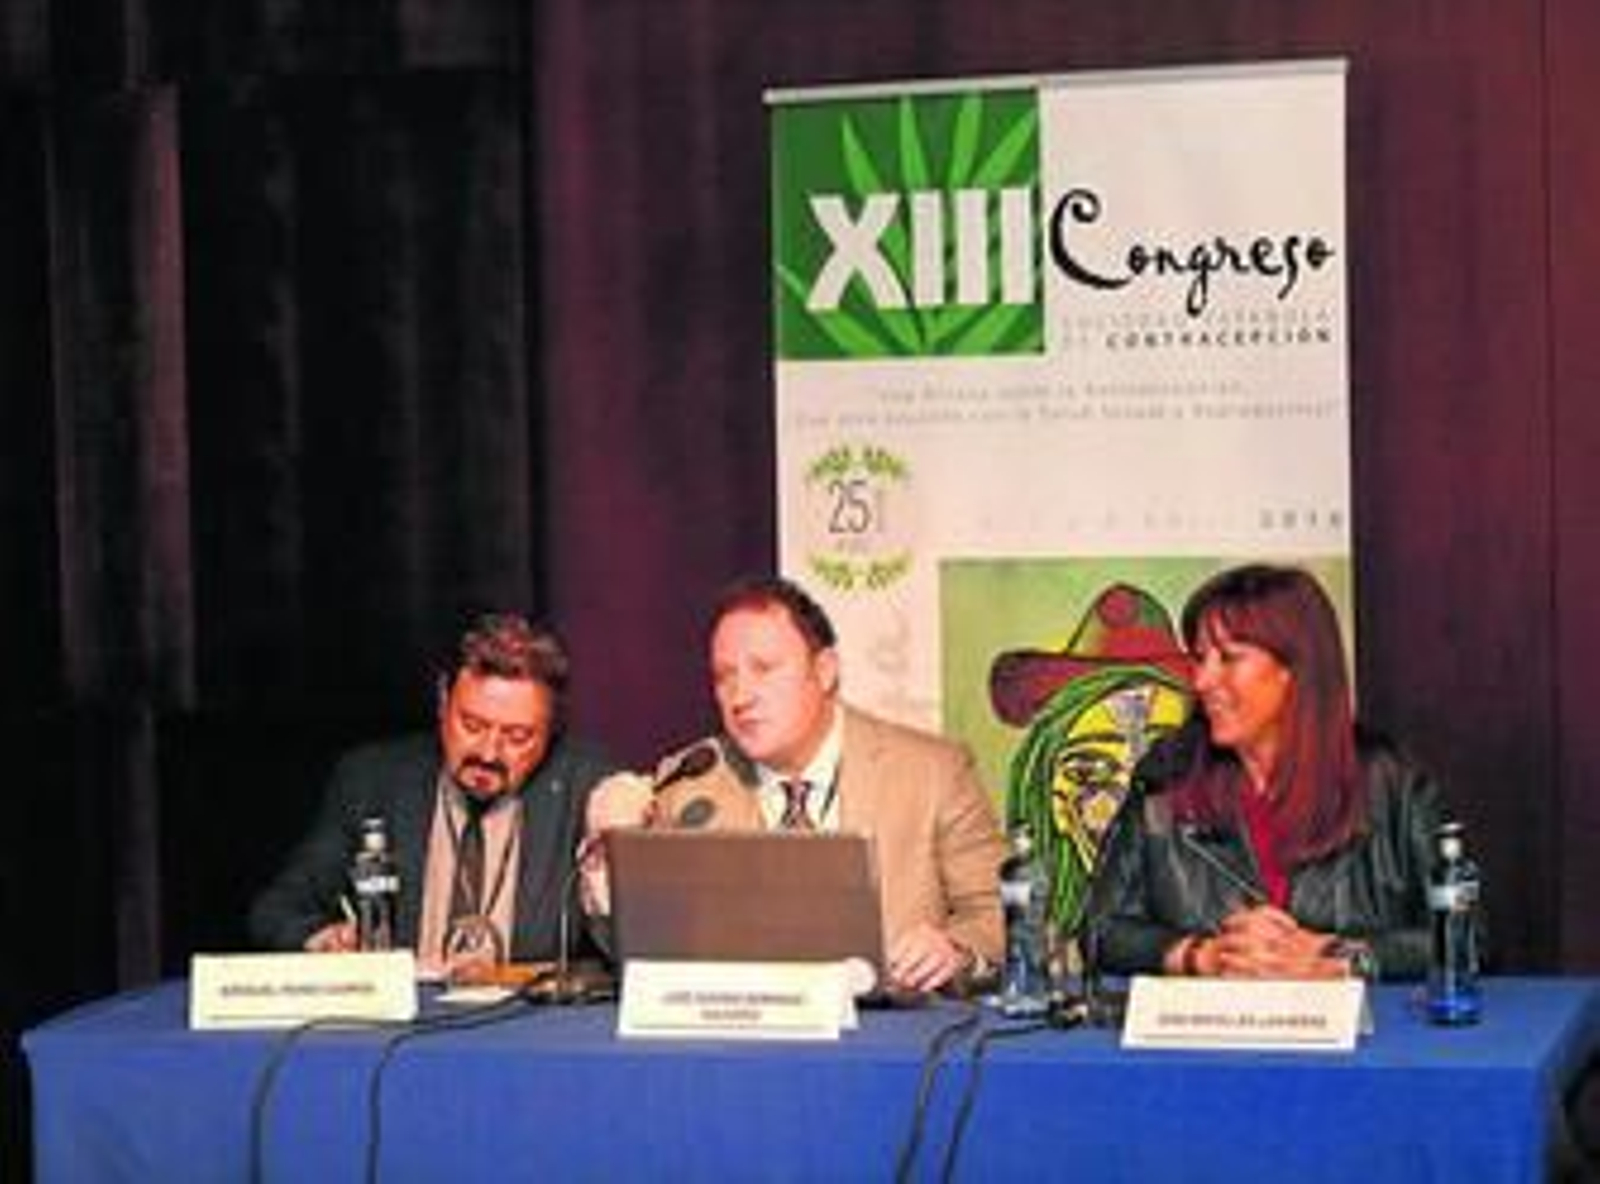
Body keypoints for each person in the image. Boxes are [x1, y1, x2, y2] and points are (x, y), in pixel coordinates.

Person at [583, 576, 1006, 993]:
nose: (740, 696)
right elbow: (635, 945)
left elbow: (1000, 912)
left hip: (892, 1027)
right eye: (724, 676)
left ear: (824, 671)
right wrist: (607, 859)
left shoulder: (933, 772)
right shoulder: (689, 784)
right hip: (744, 1027)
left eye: (763, 669)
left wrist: (956, 950)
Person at [1084, 563, 1456, 981]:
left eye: (1228, 658)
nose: (1202, 681)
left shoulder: (1392, 785)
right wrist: (1202, 956)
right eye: (1201, 659)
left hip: (1359, 1023)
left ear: (1294, 669)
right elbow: (1100, 932)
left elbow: (1466, 936)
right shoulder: (1167, 778)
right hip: (1211, 1021)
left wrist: (1338, 958)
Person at [249, 613, 615, 978]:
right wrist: (321, 939)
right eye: (472, 725)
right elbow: (277, 910)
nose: (488, 753)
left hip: (529, 1010)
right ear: (442, 700)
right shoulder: (371, 779)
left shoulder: (589, 787)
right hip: (402, 1009)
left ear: (551, 730)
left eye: (517, 737)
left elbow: (625, 946)